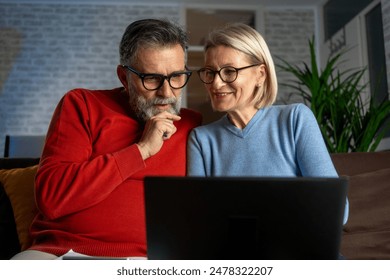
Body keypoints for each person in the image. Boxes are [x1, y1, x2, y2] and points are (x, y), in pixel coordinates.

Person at [12, 18, 202, 260]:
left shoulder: (192, 124)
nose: (167, 92)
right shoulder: (82, 105)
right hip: (60, 255)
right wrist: (141, 150)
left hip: (149, 261)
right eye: (151, 79)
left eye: (176, 76)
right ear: (124, 77)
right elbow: (52, 198)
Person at [187, 23, 348, 224]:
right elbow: (199, 221)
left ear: (260, 75)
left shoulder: (295, 119)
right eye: (210, 72)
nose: (216, 84)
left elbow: (338, 210)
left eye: (229, 71)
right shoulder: (201, 140)